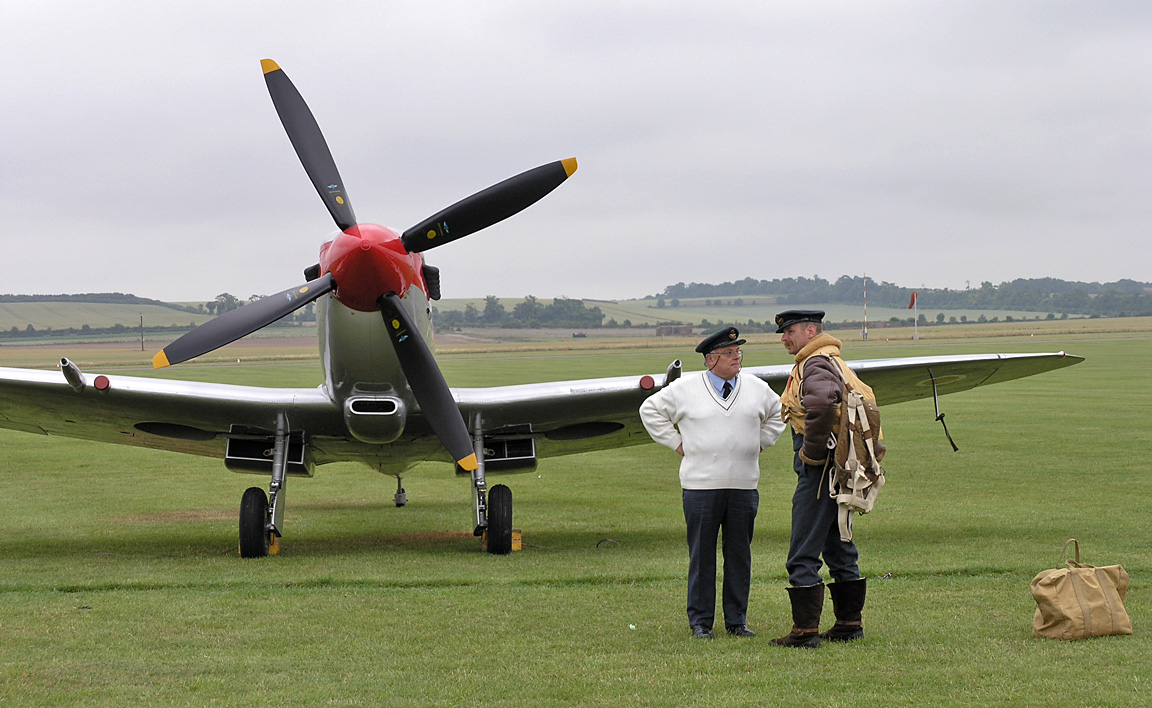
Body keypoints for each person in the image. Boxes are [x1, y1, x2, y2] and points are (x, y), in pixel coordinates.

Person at [640, 327, 785, 639]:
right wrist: (677, 443)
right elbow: (649, 410)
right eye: (729, 354)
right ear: (710, 360)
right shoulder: (686, 388)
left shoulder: (757, 388)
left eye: (738, 353)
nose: (737, 358)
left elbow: (779, 413)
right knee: (702, 556)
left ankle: (737, 621)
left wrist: (759, 442)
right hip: (700, 488)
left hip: (744, 487)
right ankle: (701, 623)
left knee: (739, 556)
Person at [769, 310, 873, 648]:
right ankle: (848, 623)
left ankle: (805, 632)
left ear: (810, 331)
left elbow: (823, 405)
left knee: (803, 549)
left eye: (789, 331)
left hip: (821, 467)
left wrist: (811, 455)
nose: (784, 338)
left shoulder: (813, 363)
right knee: (838, 542)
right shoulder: (832, 360)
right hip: (839, 466)